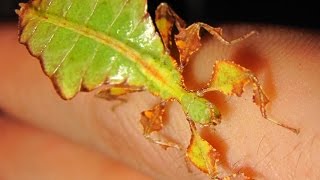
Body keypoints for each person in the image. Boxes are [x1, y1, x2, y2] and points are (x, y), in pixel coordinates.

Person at [0, 23, 319, 179]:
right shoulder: (163, 111)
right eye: (211, 112)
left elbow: (152, 130)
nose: (211, 116)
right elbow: (150, 129)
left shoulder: (172, 108)